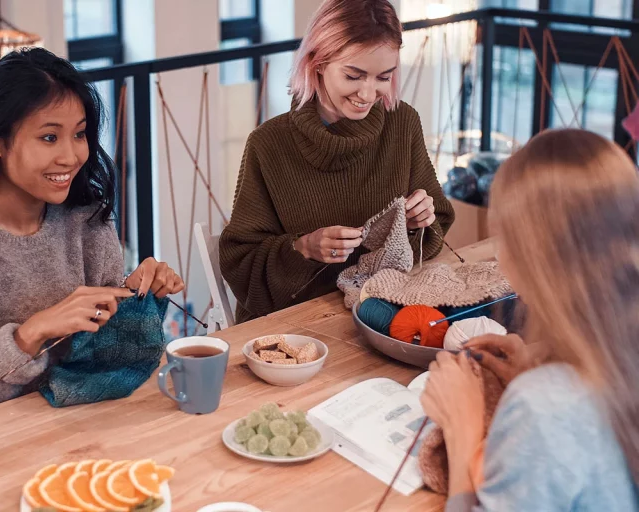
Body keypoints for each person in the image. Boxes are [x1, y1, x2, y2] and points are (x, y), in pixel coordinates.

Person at [0, 48, 184, 426]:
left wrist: (134, 294)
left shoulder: (87, 219)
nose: (71, 156)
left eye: (80, 134)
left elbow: (101, 361)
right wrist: (32, 333)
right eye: (50, 137)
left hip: (85, 428)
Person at [421, 129, 639, 511]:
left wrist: (462, 430)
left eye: (505, 239)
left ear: (533, 257)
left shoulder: (543, 407)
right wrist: (544, 365)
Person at [219, 0, 454, 323]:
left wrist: (419, 222)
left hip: (380, 312)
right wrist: (303, 249)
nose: (369, 94)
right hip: (294, 326)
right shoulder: (269, 144)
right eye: (354, 76)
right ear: (317, 63)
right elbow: (240, 263)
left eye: (383, 77)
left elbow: (435, 227)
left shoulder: (402, 123)